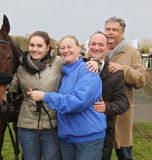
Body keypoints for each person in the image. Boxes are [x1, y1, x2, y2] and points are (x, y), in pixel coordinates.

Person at [27, 35, 106, 160]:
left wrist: (45, 96)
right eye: (62, 48)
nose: (65, 50)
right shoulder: (63, 71)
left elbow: (78, 102)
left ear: (79, 49)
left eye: (69, 47)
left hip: (88, 137)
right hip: (67, 137)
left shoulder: (88, 70)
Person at [9, 31, 62, 160]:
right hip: (27, 127)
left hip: (52, 126)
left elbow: (77, 68)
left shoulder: (59, 63)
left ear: (47, 47)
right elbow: (10, 89)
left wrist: (96, 63)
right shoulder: (21, 67)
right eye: (32, 45)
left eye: (39, 46)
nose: (35, 49)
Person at [104, 16, 147, 160]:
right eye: (108, 29)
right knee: (100, 153)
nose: (110, 32)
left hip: (122, 112)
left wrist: (123, 69)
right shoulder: (95, 49)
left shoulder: (132, 53)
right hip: (99, 110)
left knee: (124, 153)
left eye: (114, 30)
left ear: (122, 33)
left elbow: (142, 79)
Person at [88, 31, 129, 160]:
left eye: (101, 44)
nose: (96, 47)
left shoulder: (115, 73)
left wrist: (107, 107)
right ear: (88, 45)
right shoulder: (79, 66)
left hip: (103, 131)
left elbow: (123, 102)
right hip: (78, 129)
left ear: (107, 48)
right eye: (93, 44)